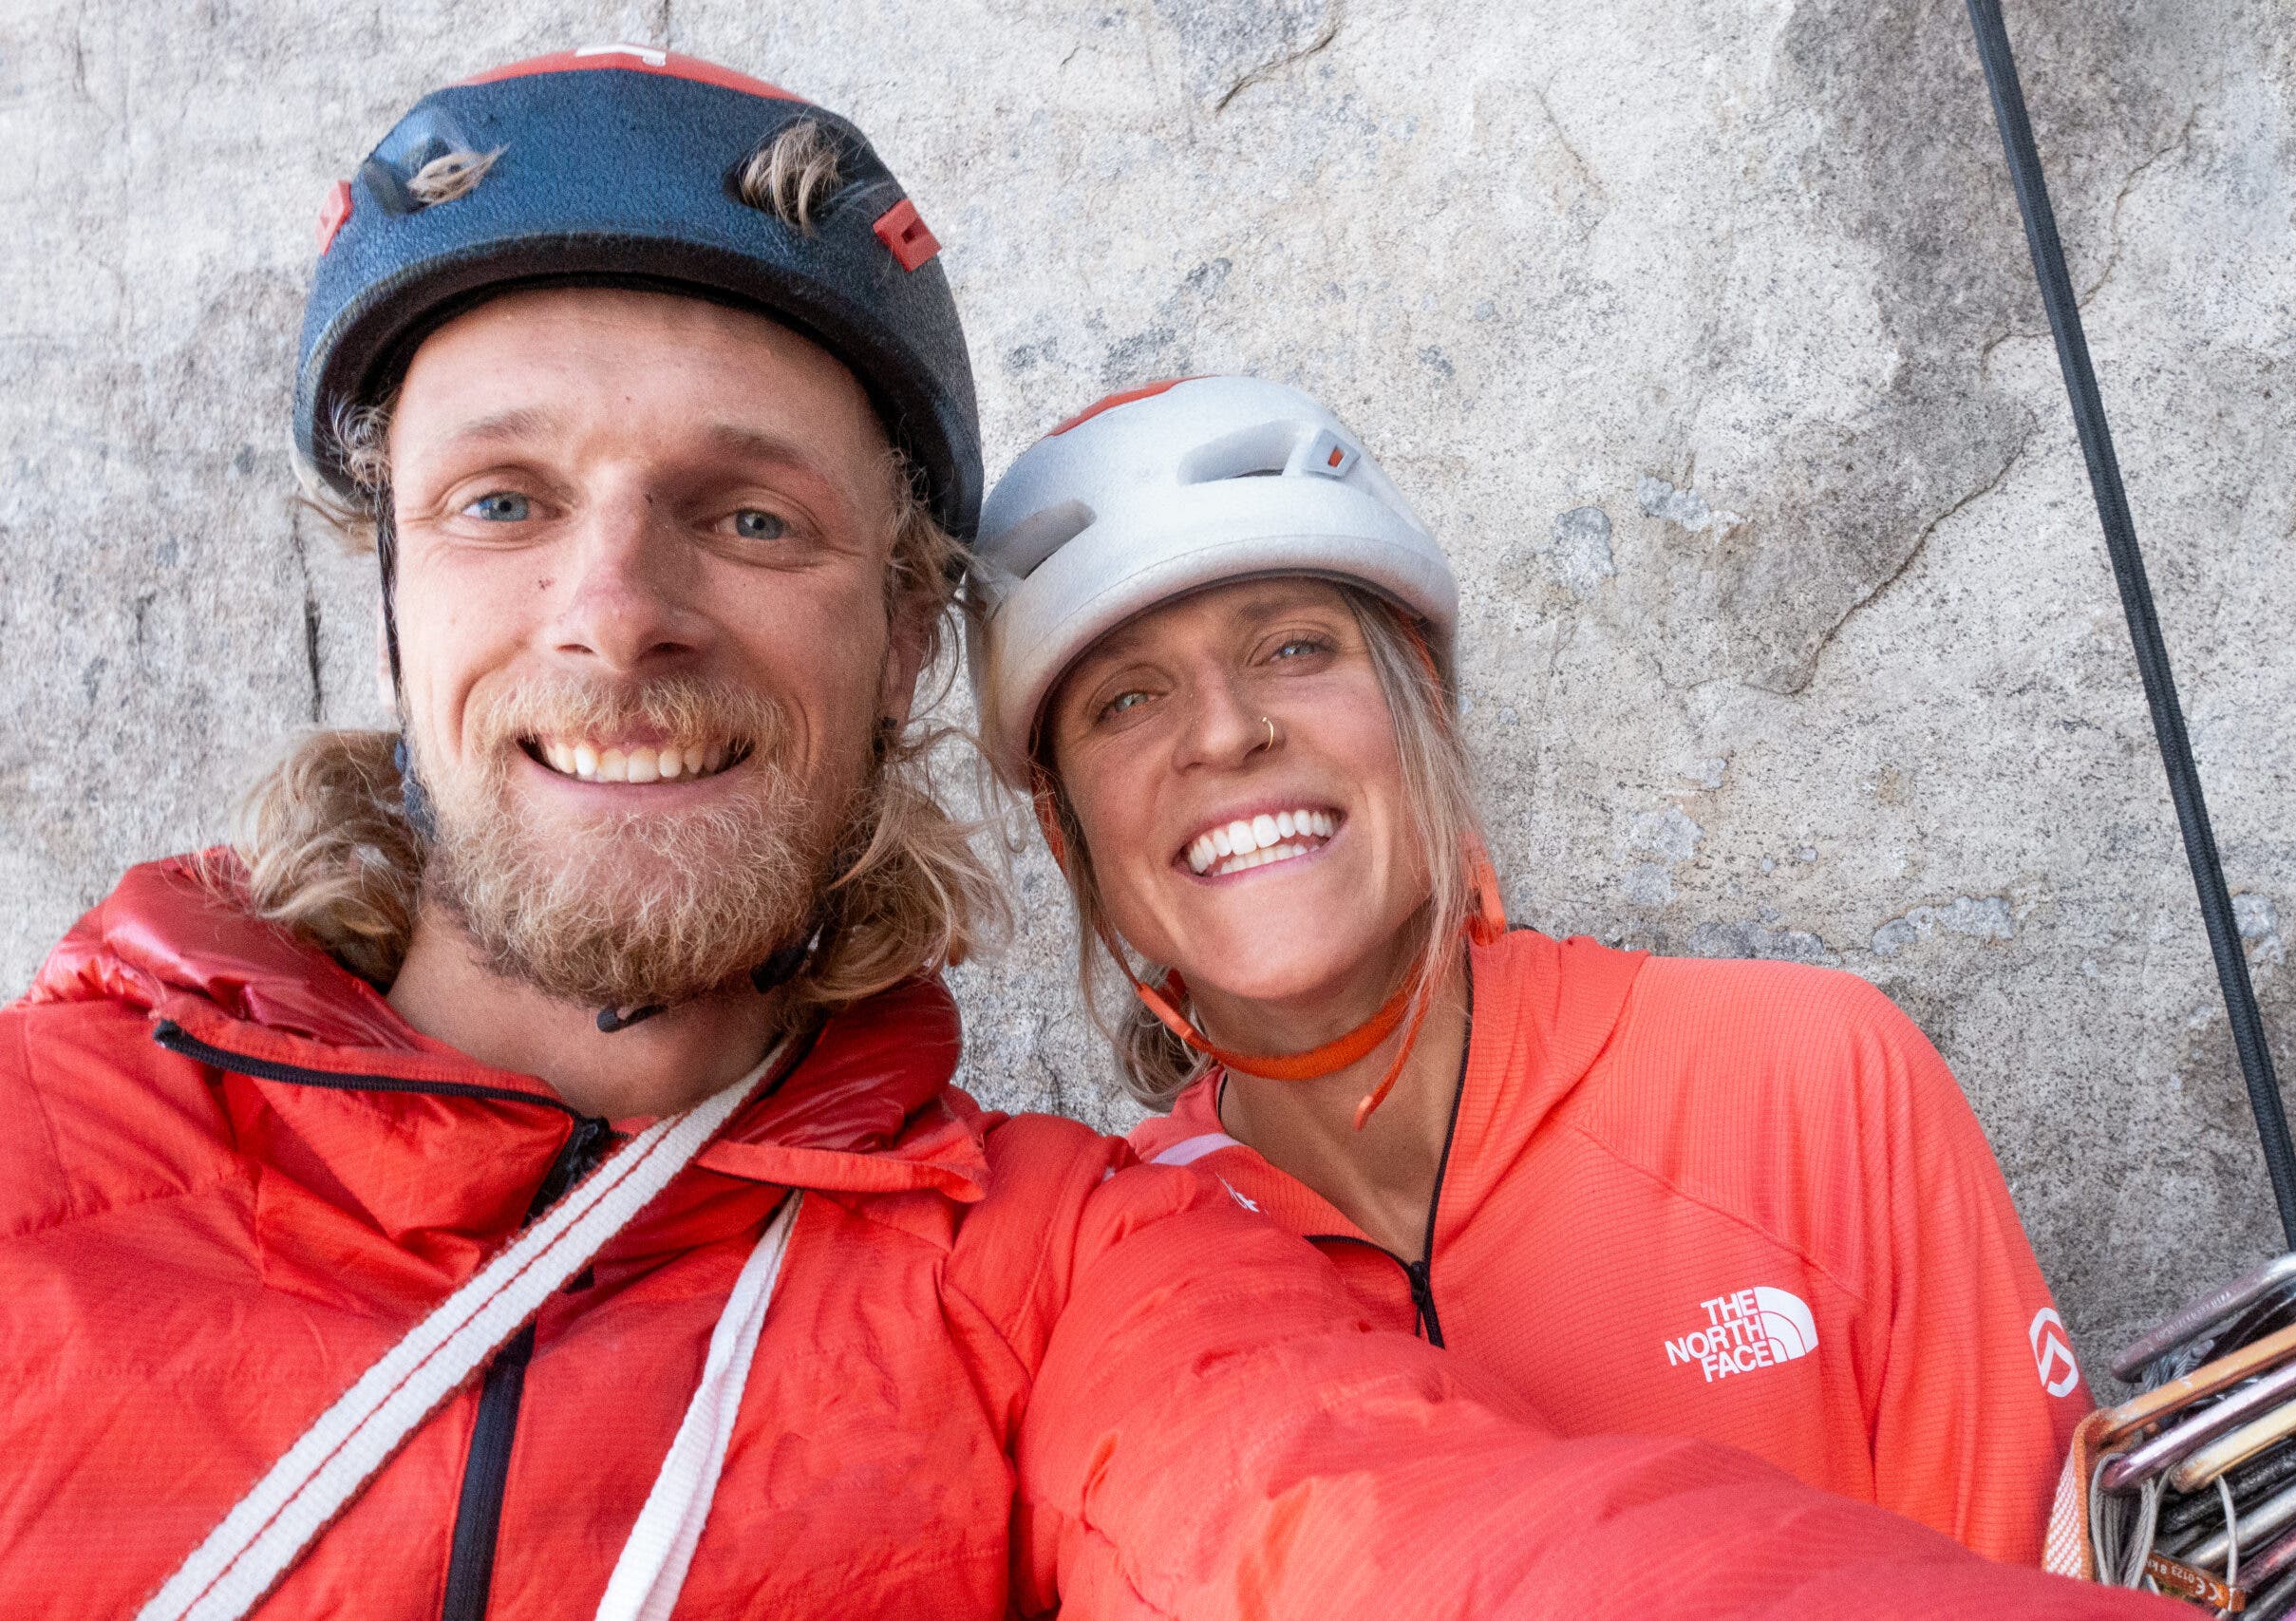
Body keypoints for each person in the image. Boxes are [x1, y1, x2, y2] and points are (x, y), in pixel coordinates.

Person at [0, 47, 2182, 1621]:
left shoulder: (1053, 1273)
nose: (615, 609)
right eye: (502, 497)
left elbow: (1377, 1524)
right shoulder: (47, 1141)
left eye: (749, 513)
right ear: (380, 579)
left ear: (894, 645)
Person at [969, 373, 2096, 1569]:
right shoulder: (1126, 1273)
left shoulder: (1801, 1080)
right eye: (1126, 699)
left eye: (1294, 647)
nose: (1224, 731)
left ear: (1427, 715)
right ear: (1069, 836)